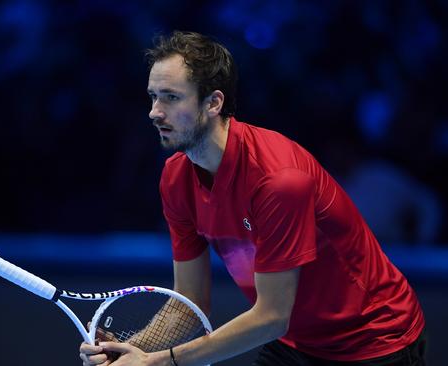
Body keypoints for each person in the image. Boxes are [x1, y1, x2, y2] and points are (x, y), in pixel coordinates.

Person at [80, 31, 426, 366]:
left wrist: (158, 363)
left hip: (375, 341)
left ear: (213, 102)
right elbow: (189, 302)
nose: (155, 112)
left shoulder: (278, 181)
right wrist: (131, 350)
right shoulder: (175, 178)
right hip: (298, 343)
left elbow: (273, 317)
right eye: (153, 96)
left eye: (171, 97)